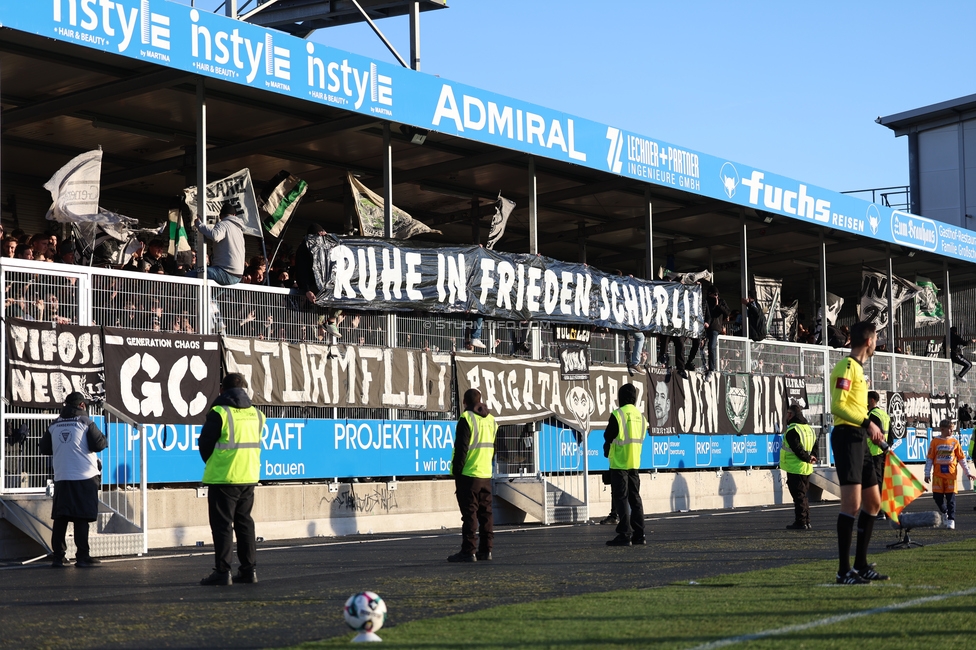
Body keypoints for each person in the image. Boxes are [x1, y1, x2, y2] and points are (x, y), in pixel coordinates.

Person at [829, 321, 888, 585]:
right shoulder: (847, 366)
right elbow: (837, 406)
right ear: (868, 341)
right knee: (851, 506)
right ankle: (843, 571)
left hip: (859, 439)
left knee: (873, 502)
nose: (877, 343)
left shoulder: (859, 370)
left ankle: (861, 565)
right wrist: (868, 423)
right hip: (847, 438)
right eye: (876, 339)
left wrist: (869, 428)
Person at [199, 373, 266, 585]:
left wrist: (214, 463)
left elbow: (205, 444)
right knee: (245, 523)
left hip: (224, 477)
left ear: (222, 390)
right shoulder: (257, 414)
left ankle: (222, 571)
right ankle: (249, 571)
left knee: (222, 526)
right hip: (249, 475)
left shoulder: (219, 412)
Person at [38, 392, 108, 568]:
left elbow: (44, 448)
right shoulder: (85, 422)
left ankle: (58, 557)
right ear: (82, 405)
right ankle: (82, 557)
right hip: (85, 477)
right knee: (81, 518)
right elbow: (100, 444)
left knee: (61, 518)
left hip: (62, 476)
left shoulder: (55, 424)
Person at [448, 388, 497, 562]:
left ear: (464, 402)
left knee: (470, 514)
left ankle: (469, 551)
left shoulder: (466, 418)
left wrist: (456, 471)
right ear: (480, 400)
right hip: (486, 473)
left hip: (469, 474)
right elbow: (493, 447)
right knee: (486, 514)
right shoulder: (491, 420)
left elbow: (461, 448)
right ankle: (486, 550)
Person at [603, 383, 649, 546]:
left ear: (620, 398)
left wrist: (607, 450)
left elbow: (608, 436)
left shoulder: (618, 414)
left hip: (619, 462)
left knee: (621, 498)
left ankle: (624, 534)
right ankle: (640, 534)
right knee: (635, 498)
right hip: (634, 462)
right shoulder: (641, 417)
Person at [924, 419, 974, 530]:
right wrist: (927, 473)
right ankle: (944, 511)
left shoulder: (955, 442)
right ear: (942, 429)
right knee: (937, 497)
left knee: (951, 499)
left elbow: (961, 459)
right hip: (938, 476)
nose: (952, 431)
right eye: (950, 429)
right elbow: (930, 459)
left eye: (953, 429)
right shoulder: (935, 442)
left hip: (951, 476)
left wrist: (968, 473)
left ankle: (951, 519)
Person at [295, 223, 341, 338]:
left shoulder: (327, 246)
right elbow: (301, 270)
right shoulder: (304, 248)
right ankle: (317, 330)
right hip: (313, 286)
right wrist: (307, 289)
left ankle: (329, 322)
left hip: (327, 284)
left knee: (339, 298)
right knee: (315, 312)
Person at [779, 402, 817, 530]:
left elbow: (797, 448)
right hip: (807, 468)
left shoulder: (793, 430)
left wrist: (807, 458)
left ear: (791, 414)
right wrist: (812, 457)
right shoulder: (809, 429)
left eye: (787, 414)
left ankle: (801, 522)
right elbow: (815, 446)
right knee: (803, 495)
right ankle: (806, 521)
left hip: (795, 467)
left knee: (799, 496)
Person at [193, 202, 246, 286]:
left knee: (193, 274)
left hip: (225, 272)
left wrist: (199, 225)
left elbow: (215, 236)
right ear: (234, 215)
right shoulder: (239, 230)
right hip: (238, 275)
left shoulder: (224, 224)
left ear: (220, 216)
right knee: (213, 292)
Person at [866, 391, 891, 501]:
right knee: (883, 478)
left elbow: (874, 434)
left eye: (866, 399)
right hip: (883, 450)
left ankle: (879, 505)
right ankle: (884, 504)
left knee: (876, 480)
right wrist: (887, 447)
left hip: (874, 451)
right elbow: (891, 434)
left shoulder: (873, 415)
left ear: (871, 400)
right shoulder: (884, 414)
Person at [705, 286, 730, 374]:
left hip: (715, 327)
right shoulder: (706, 302)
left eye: (717, 294)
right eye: (714, 294)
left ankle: (712, 368)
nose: (716, 296)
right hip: (704, 327)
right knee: (701, 347)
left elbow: (727, 312)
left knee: (711, 347)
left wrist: (718, 305)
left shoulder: (721, 301)